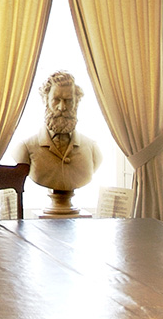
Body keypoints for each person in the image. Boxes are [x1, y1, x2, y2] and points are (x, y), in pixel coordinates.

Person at [17, 70, 101, 215]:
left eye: (68, 101)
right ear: (45, 100)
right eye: (56, 100)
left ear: (76, 102)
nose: (62, 108)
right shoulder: (25, 147)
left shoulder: (92, 148)